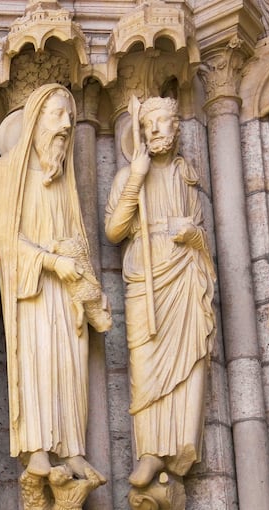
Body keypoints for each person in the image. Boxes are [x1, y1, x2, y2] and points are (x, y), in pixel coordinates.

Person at [0, 83, 105, 482]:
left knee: (70, 368)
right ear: (34, 120)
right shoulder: (8, 173)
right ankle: (37, 450)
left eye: (70, 117)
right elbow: (6, 242)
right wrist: (51, 262)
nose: (66, 125)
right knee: (37, 363)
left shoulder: (64, 182)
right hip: (33, 292)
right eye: (57, 115)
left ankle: (72, 448)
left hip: (66, 291)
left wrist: (86, 285)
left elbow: (77, 238)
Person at [105, 96, 216, 488]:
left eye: (163, 122)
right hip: (145, 275)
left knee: (188, 359)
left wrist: (194, 236)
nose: (155, 130)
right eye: (148, 124)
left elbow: (203, 235)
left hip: (183, 274)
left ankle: (180, 444)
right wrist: (136, 174)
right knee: (146, 363)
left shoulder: (187, 176)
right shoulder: (127, 176)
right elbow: (115, 230)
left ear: (177, 128)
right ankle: (150, 451)